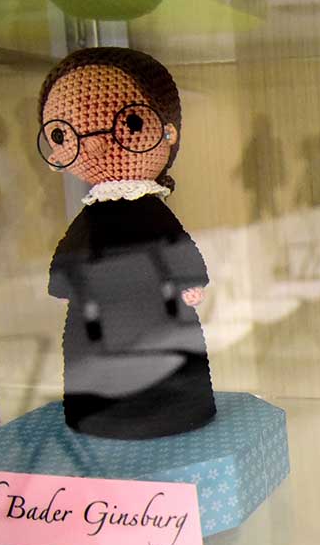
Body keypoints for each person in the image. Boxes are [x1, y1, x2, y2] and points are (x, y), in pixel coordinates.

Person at [39, 48, 216, 439]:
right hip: (98, 317)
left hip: (155, 311)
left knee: (162, 364)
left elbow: (174, 245)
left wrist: (189, 280)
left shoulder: (148, 211)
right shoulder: (94, 215)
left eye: (130, 123)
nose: (95, 145)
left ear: (168, 132)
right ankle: (105, 411)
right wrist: (65, 282)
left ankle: (167, 409)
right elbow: (72, 253)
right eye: (64, 134)